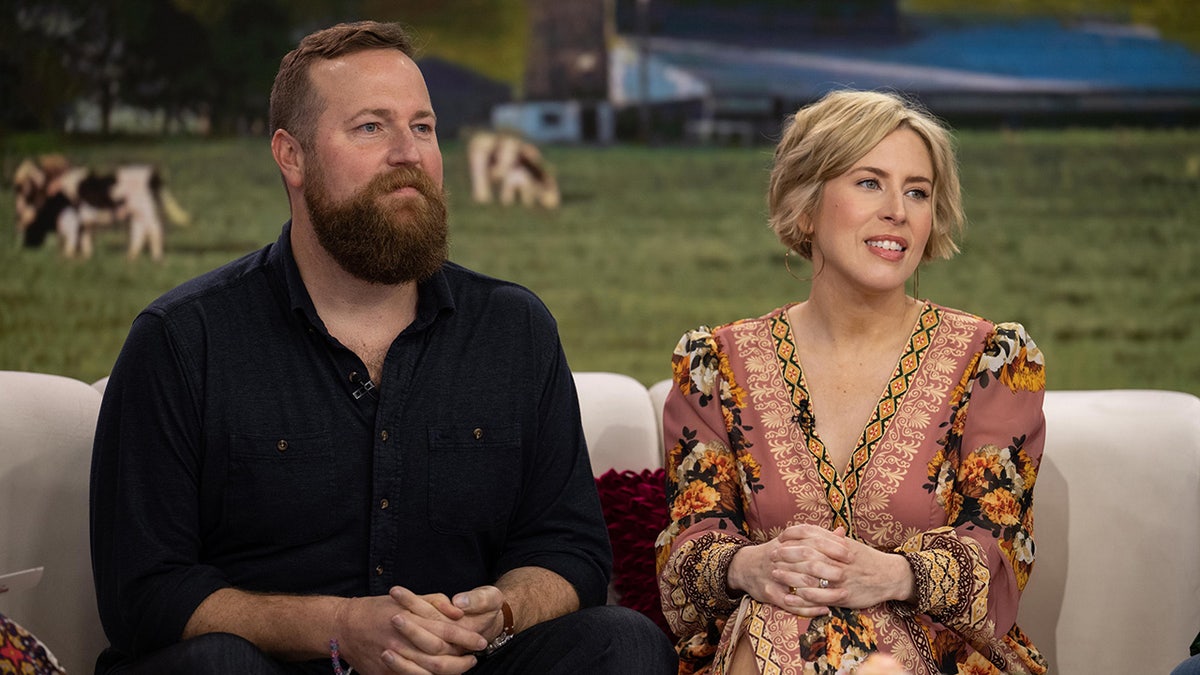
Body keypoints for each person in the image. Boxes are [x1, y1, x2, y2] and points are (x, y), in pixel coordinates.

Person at [89, 20, 677, 675]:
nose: (409, 153)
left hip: (459, 665)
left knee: (623, 642)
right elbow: (142, 593)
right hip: (272, 668)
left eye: (422, 127)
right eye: (371, 127)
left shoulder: (515, 329)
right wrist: (339, 628)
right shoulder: (181, 341)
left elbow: (572, 552)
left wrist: (502, 608)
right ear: (292, 156)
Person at [655, 90, 1048, 675]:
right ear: (807, 206)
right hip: (760, 642)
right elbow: (686, 554)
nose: (898, 210)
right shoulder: (715, 366)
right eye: (869, 182)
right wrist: (751, 567)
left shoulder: (995, 361)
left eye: (917, 191)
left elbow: (1002, 553)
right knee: (785, 605)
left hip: (944, 657)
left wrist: (890, 575)